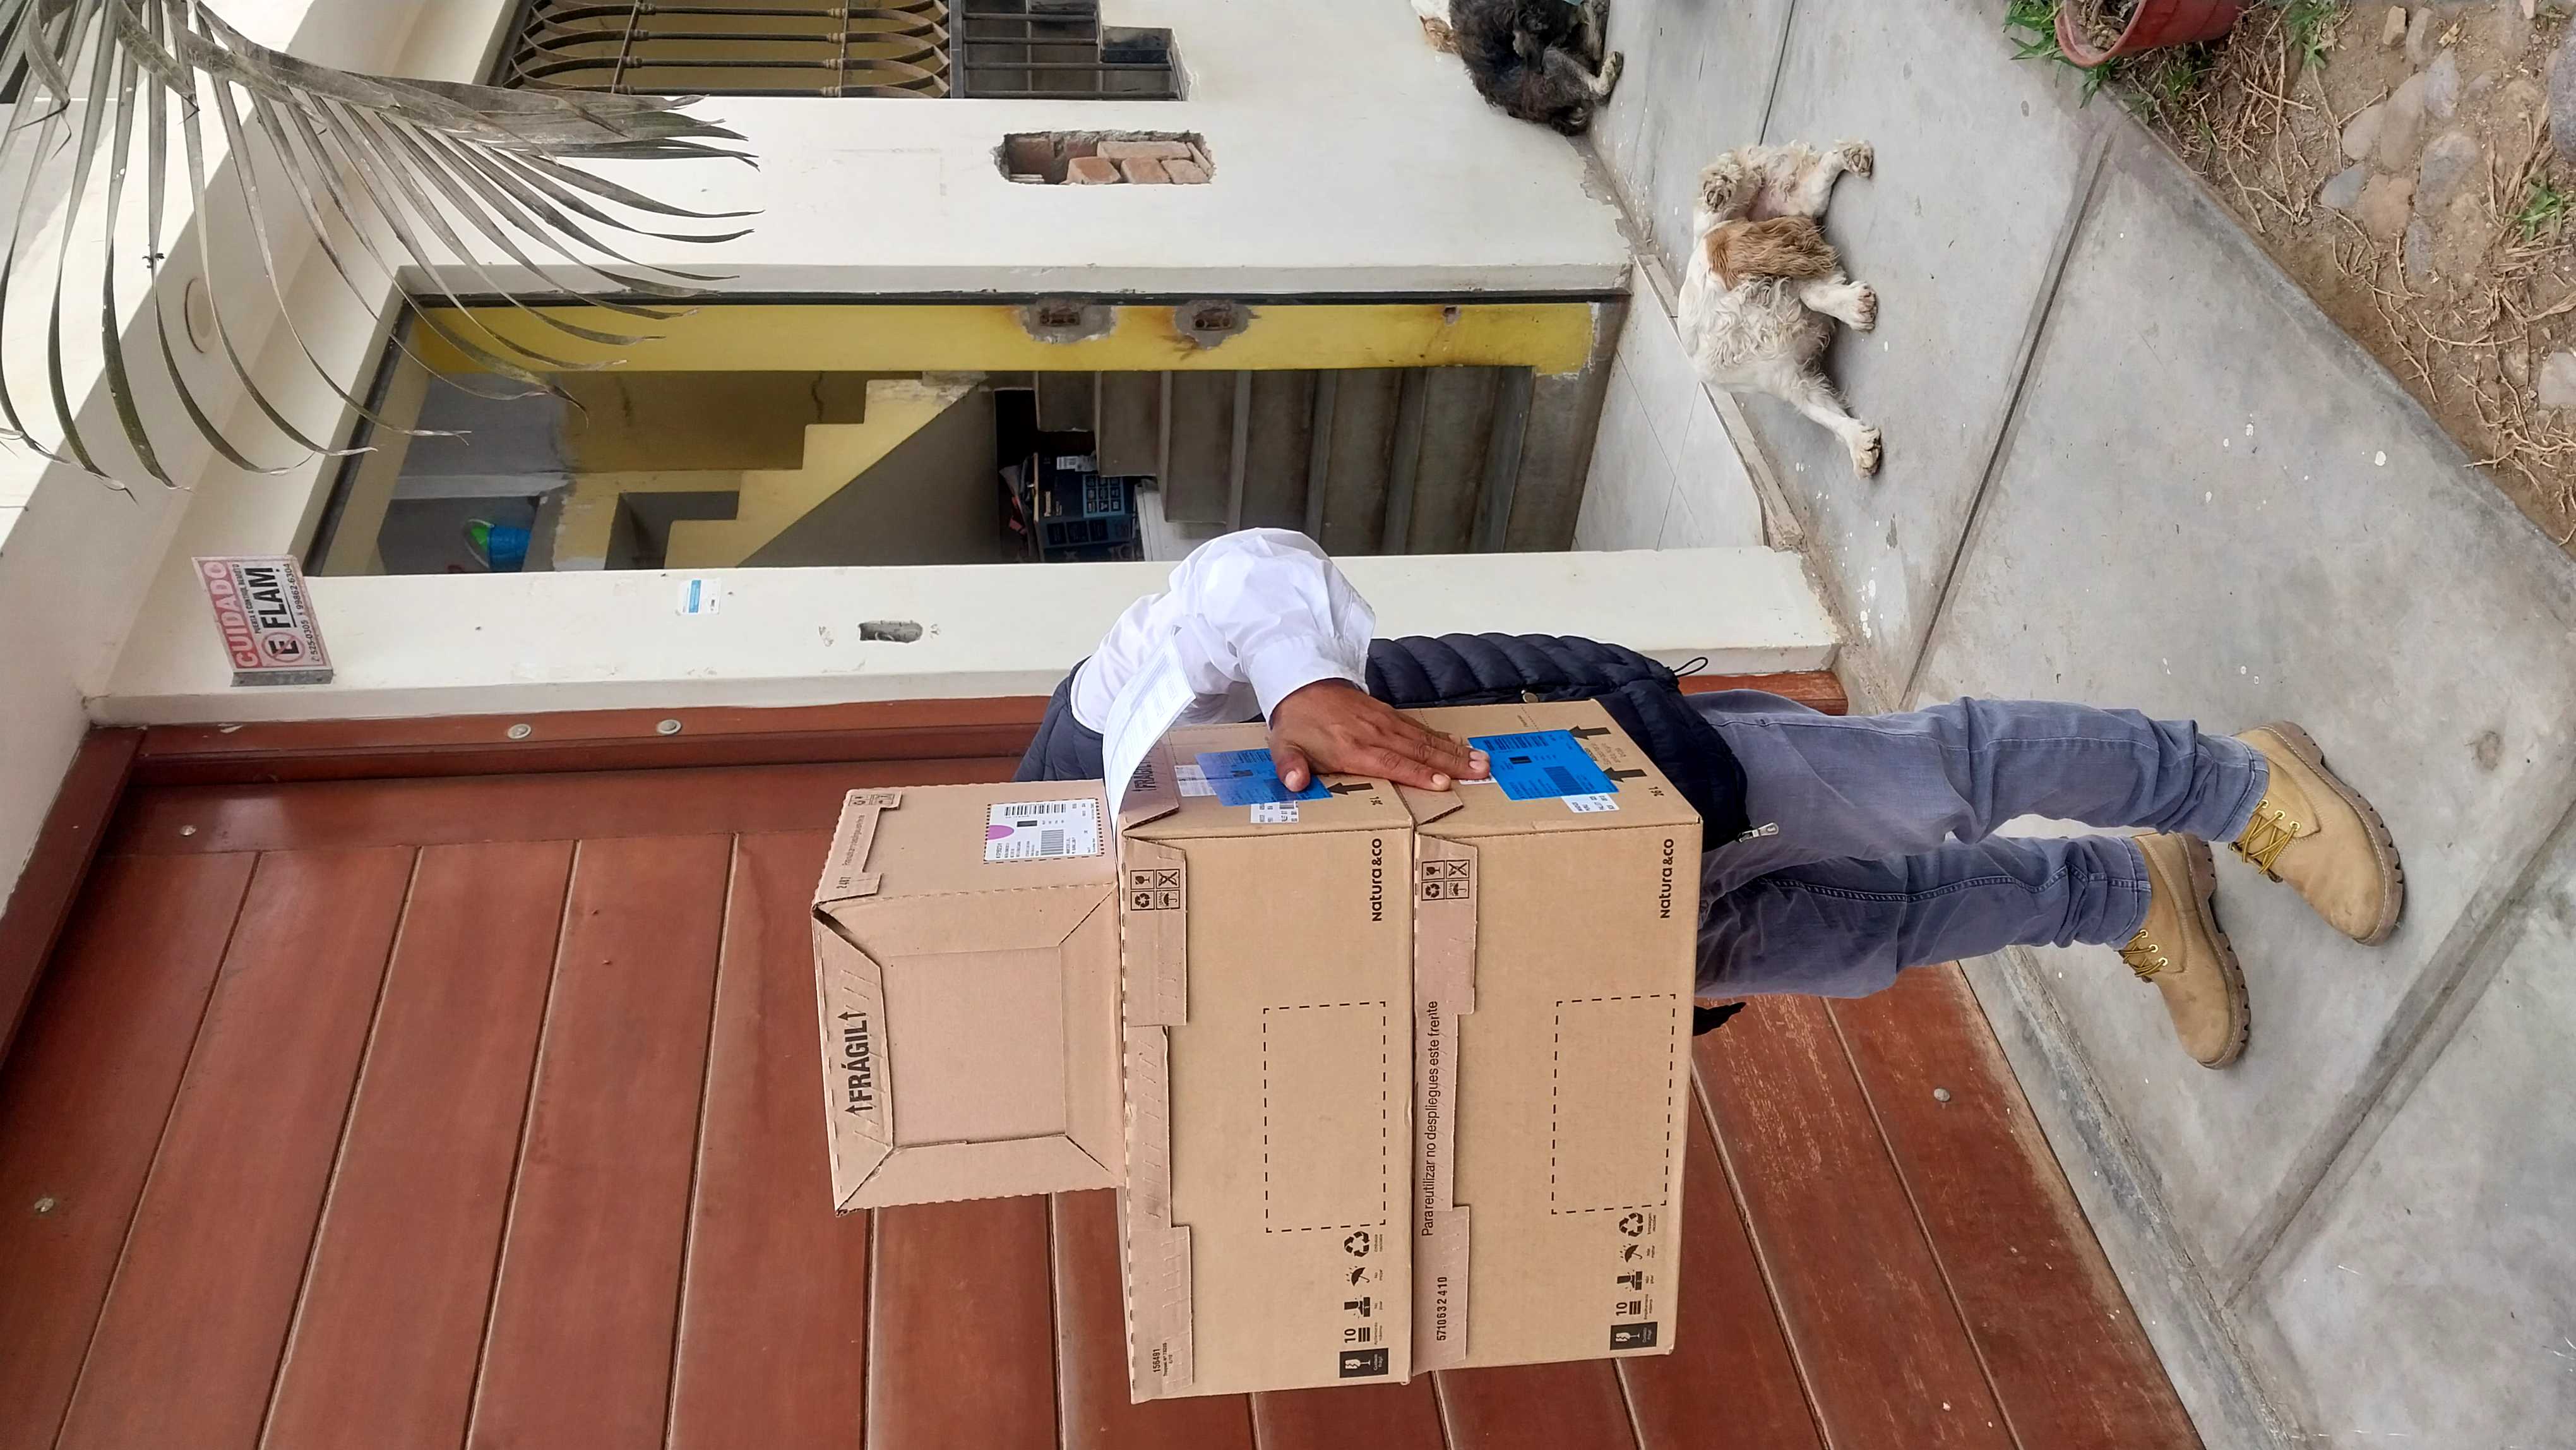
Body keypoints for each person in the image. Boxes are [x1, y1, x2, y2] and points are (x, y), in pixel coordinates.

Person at [1020, 530, 2403, 1069]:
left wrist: (1299, 684)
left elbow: (1238, 575)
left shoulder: (1084, 762)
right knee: (1873, 934)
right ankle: (2122, 893)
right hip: (1594, 941)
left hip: (1588, 772)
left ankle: (2235, 785)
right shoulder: (1113, 1059)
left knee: (1931, 783)